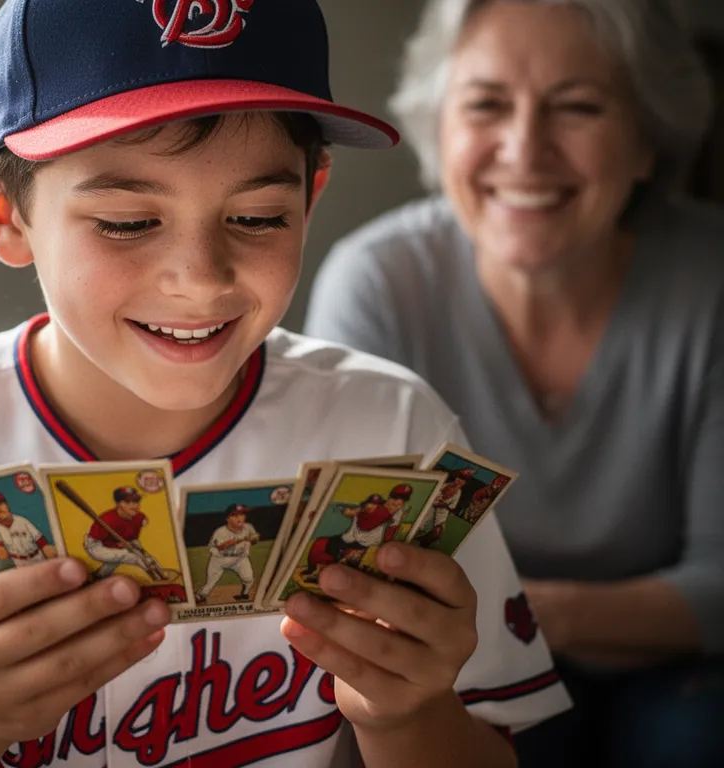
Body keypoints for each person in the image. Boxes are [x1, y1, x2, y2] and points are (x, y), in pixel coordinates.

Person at [0, 2, 571, 766]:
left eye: (258, 217)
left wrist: (409, 709)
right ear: (5, 214)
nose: (200, 277)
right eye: (126, 222)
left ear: (312, 196)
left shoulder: (394, 421)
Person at [304, 0, 724, 765]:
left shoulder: (712, 281)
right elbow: (348, 581)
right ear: (440, 129)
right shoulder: (376, 284)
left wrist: (514, 613)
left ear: (646, 140)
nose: (525, 150)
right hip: (459, 677)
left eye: (579, 107)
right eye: (487, 105)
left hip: (681, 682)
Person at [83, 486, 153, 579]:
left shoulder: (140, 518)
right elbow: (102, 541)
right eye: (128, 502)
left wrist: (135, 548)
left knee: (141, 555)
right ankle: (156, 577)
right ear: (118, 504)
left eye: (136, 500)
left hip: (120, 539)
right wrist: (117, 545)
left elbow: (132, 537)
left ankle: (98, 576)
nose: (134, 505)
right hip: (96, 544)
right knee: (130, 556)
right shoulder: (107, 520)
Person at [196, 503, 260, 603]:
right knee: (210, 582)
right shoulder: (220, 532)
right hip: (220, 560)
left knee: (249, 578)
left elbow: (255, 539)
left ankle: (244, 594)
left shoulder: (248, 527)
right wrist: (239, 539)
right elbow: (221, 547)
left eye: (242, 514)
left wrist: (255, 539)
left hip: (240, 559)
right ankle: (201, 596)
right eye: (235, 515)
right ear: (227, 518)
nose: (240, 518)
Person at [0, 489, 58, 566]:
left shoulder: (22, 521)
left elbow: (40, 540)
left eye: (1, 503)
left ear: (6, 504)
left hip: (37, 557)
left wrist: (47, 548)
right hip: (19, 561)